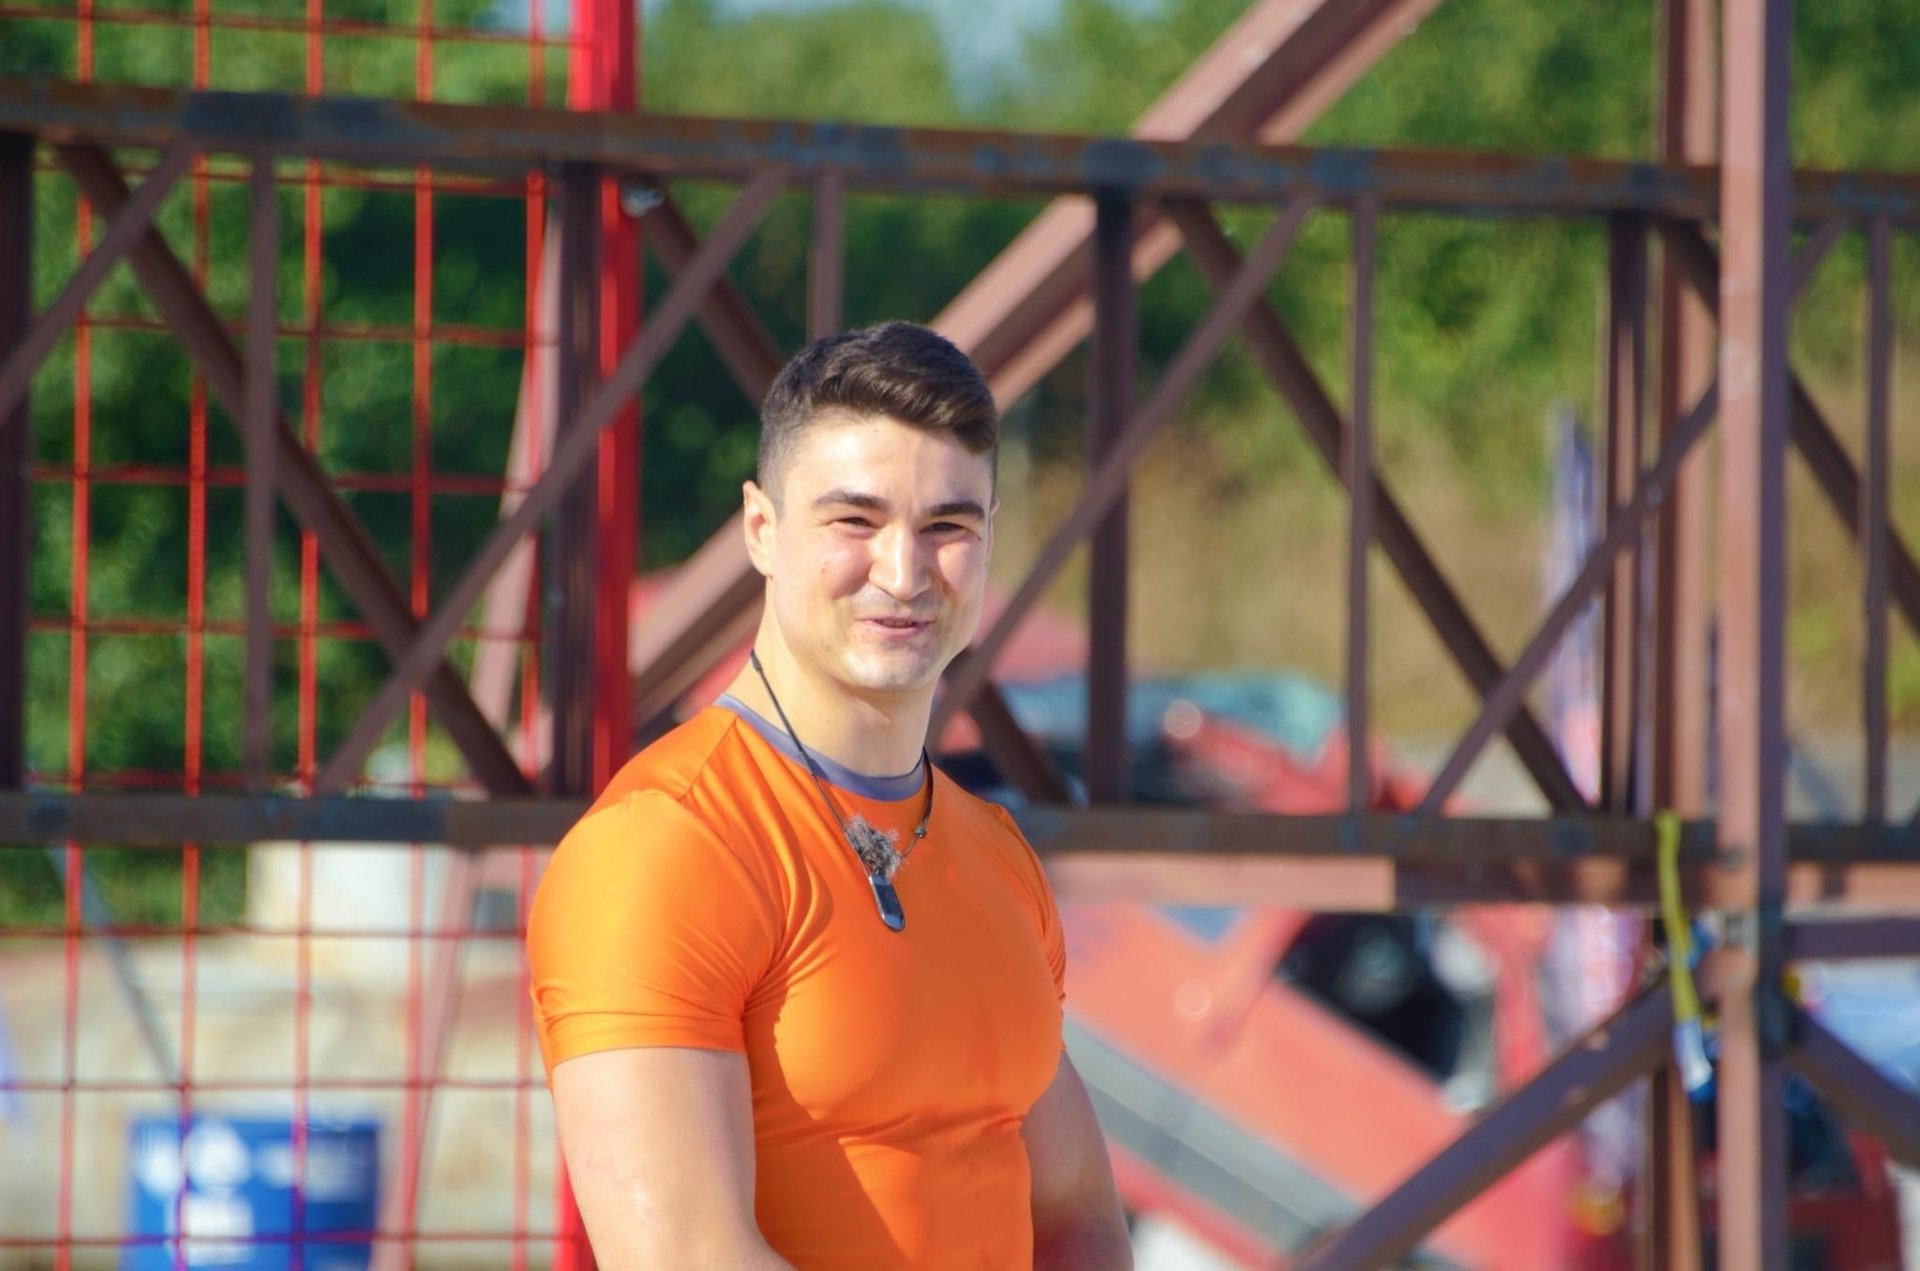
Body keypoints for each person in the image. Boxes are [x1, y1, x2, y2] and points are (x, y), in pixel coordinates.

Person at [526, 321, 1131, 1270]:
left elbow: (1077, 1215)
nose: (903, 571)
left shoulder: (994, 852)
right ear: (761, 530)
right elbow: (687, 1257)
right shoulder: (661, 845)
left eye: (948, 527)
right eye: (855, 521)